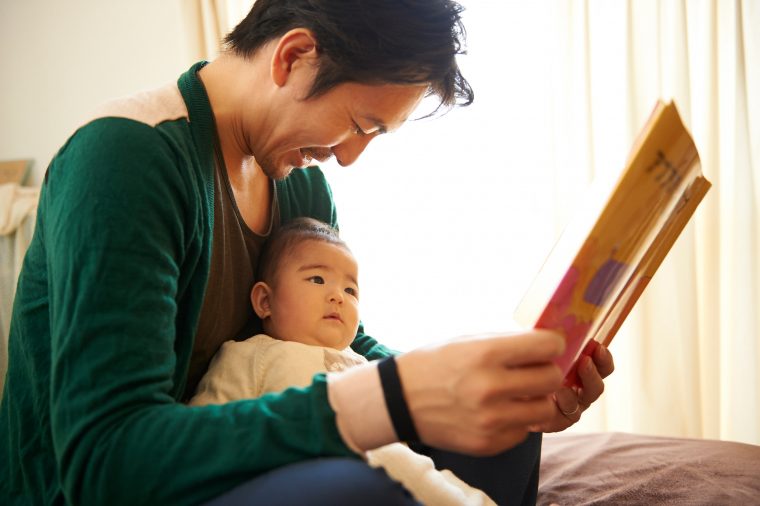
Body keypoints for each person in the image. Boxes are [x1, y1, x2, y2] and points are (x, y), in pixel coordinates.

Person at [0, 1, 615, 505]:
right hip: (120, 485)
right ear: (294, 57)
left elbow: (338, 348)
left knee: (502, 439)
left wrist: (482, 390)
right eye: (359, 124)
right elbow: (106, 461)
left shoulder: (300, 183)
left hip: (239, 450)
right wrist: (394, 397)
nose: (350, 156)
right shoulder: (126, 159)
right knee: (356, 490)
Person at [190, 217, 497, 506]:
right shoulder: (250, 355)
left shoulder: (365, 365)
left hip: (409, 477)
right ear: (265, 301)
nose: (337, 295)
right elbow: (203, 433)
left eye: (350, 289)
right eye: (317, 278)